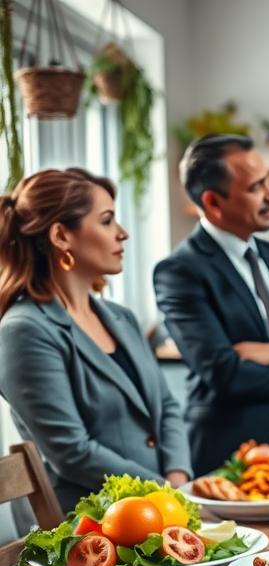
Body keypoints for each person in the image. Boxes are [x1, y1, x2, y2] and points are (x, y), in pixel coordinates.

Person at [0, 168, 192, 510]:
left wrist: (178, 480)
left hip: (165, 512)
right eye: (106, 221)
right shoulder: (23, 331)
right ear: (61, 236)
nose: (123, 233)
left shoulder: (122, 318)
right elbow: (73, 453)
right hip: (90, 529)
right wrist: (167, 494)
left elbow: (167, 407)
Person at [154, 134, 269, 476]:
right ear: (213, 202)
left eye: (268, 181)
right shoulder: (179, 272)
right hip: (228, 460)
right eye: (257, 187)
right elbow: (225, 373)